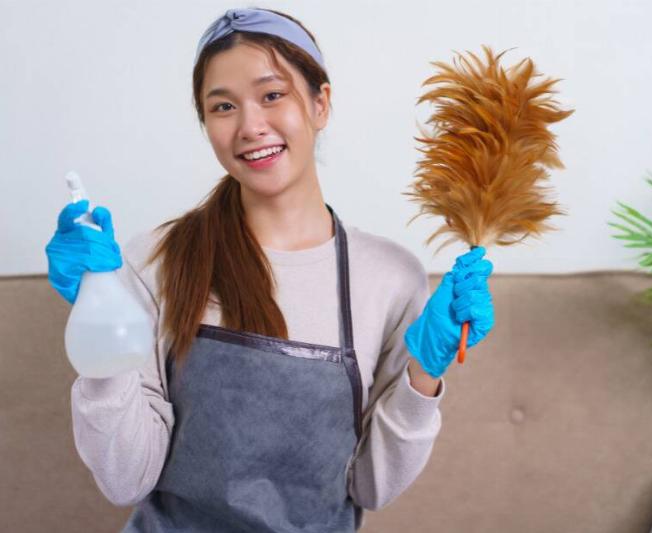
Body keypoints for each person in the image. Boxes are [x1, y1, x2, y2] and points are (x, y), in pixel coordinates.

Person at [45, 7, 495, 532]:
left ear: (321, 103)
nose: (250, 125)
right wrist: (100, 331)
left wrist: (424, 376)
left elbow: (372, 487)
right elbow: (126, 480)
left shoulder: (390, 278)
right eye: (223, 106)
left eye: (272, 95)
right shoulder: (155, 260)